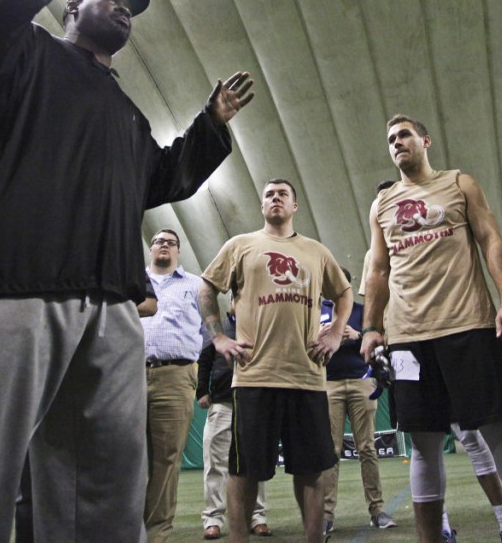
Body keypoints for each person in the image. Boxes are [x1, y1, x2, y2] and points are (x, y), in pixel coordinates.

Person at [0, 0, 254, 543]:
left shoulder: (126, 114)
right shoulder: (28, 56)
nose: (125, 7)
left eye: (131, 5)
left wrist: (210, 124)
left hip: (109, 310)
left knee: (100, 487)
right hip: (16, 291)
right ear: (71, 9)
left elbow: (166, 178)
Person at [359, 114, 502, 543]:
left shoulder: (459, 183)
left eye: (405, 134)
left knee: (501, 437)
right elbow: (376, 268)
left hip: (468, 327)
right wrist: (371, 327)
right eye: (390, 139)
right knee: (424, 447)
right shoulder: (382, 205)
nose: (397, 143)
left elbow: (491, 240)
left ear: (425, 140)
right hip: (408, 340)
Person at [198, 179, 353, 543]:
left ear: (295, 205)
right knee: (245, 470)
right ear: (262, 205)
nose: (276, 198)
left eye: (283, 193)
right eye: (269, 194)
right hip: (254, 378)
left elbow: (345, 294)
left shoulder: (315, 251)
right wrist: (218, 336)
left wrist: (334, 333)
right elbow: (207, 287)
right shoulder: (241, 246)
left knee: (312, 470)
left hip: (307, 378)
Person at [319, 269, 396, 536]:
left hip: (362, 381)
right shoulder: (314, 313)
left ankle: (377, 510)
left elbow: (381, 341)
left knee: (367, 448)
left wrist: (357, 335)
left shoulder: (363, 311)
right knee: (331, 449)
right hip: (329, 384)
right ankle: (326, 515)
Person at [142, 228, 206, 542]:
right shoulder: (130, 283)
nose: (164, 245)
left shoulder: (195, 285)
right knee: (124, 455)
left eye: (171, 242)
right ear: (150, 249)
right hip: (127, 376)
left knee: (166, 458)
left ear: (178, 251)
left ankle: (155, 533)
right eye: (158, 241)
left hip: (176, 376)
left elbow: (208, 336)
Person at [197, 316, 271, 540]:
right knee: (214, 463)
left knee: (255, 463)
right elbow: (205, 360)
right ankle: (213, 519)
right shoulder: (217, 327)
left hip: (254, 402)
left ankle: (258, 517)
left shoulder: (262, 322)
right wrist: (202, 390)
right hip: (223, 401)